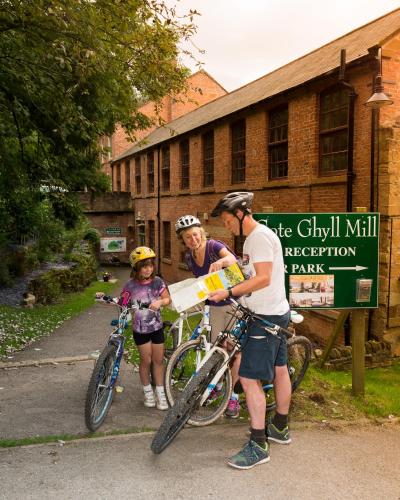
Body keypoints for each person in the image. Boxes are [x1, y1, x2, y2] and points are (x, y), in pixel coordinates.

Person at [208, 192, 291, 470]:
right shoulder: (257, 238)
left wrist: (229, 291)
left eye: (228, 220)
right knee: (279, 370)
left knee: (248, 377)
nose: (227, 225)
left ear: (241, 214)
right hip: (275, 311)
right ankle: (279, 426)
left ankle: (259, 443)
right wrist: (228, 266)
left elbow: (263, 278)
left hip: (265, 317)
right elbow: (252, 273)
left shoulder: (258, 238)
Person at [175, 215, 241, 418]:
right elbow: (201, 282)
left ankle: (233, 398)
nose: (193, 239)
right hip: (213, 306)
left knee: (234, 351)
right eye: (187, 237)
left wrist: (221, 262)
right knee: (217, 350)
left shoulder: (213, 246)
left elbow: (233, 260)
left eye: (195, 234)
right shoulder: (189, 258)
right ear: (183, 240)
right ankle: (220, 386)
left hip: (232, 303)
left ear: (201, 233)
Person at [124, 246, 171, 411]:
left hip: (156, 327)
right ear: (136, 267)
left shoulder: (158, 282)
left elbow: (167, 299)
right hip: (140, 330)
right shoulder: (130, 285)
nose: (148, 269)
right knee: (146, 360)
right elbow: (123, 302)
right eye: (144, 266)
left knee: (158, 361)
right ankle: (148, 392)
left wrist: (160, 302)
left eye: (150, 266)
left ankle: (160, 393)